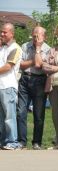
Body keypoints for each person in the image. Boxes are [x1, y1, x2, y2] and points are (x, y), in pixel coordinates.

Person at [17, 26, 50, 150]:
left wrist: (37, 49)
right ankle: (22, 141)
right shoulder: (24, 46)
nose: (36, 37)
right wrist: (34, 59)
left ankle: (37, 142)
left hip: (40, 81)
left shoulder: (48, 49)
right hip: (25, 79)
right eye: (34, 34)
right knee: (21, 112)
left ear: (44, 36)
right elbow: (21, 65)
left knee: (38, 114)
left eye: (39, 35)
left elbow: (39, 65)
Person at [0, 22, 22, 150]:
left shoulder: (15, 48)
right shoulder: (2, 48)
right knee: (1, 118)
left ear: (12, 34)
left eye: (4, 32)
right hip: (0, 86)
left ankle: (12, 142)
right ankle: (4, 141)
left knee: (9, 116)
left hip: (8, 86)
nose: (2, 34)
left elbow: (8, 66)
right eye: (1, 32)